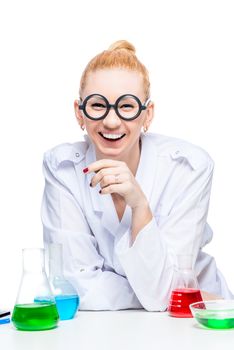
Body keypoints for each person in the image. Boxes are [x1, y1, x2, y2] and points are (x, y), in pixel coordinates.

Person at [41, 40, 233, 311]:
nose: (111, 121)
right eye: (98, 105)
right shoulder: (62, 169)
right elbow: (73, 285)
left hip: (198, 319)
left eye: (127, 106)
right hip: (117, 324)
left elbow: (163, 293)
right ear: (79, 112)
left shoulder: (189, 167)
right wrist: (170, 295)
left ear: (147, 114)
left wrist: (139, 205)